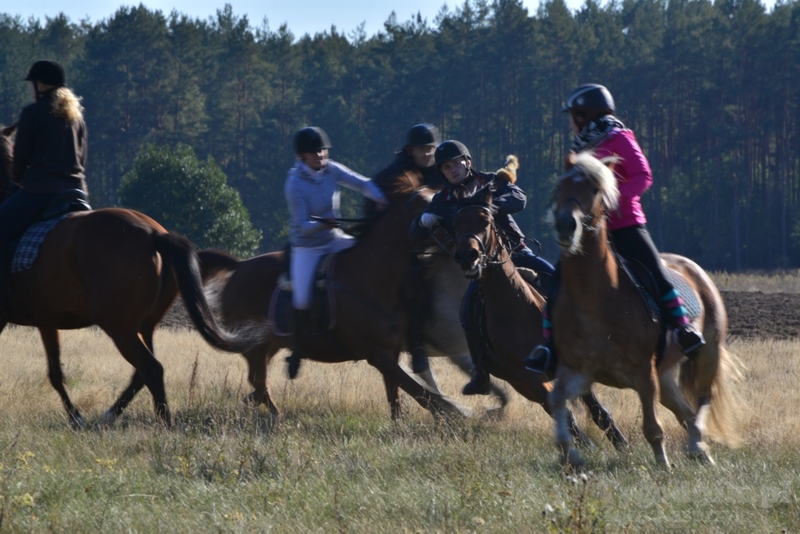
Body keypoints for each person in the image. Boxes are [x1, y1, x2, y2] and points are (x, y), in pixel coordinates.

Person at [525, 83, 705, 376]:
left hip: (625, 224)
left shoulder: (620, 137)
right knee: (557, 284)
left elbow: (643, 175)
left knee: (656, 274)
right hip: (589, 232)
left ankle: (684, 331)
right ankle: (549, 349)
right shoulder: (578, 148)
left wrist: (611, 201)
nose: (571, 122)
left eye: (573, 115)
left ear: (585, 115)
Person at [409, 140, 555, 395]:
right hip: (483, 270)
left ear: (467, 162)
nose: (452, 170)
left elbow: (519, 197)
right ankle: (481, 372)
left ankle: (575, 341)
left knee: (553, 278)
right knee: (468, 312)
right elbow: (414, 234)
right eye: (446, 167)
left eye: (456, 163)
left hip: (516, 253)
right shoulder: (441, 201)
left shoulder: (491, 181)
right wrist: (423, 222)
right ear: (442, 172)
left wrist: (491, 207)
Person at [284, 126, 388, 379]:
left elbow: (362, 183)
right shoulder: (294, 184)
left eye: (323, 150)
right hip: (307, 247)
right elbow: (302, 226)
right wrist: (321, 224)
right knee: (301, 299)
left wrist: (380, 198)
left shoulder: (332, 169)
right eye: (314, 152)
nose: (320, 155)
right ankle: (297, 349)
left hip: (334, 239)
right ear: (302, 156)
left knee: (369, 259)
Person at [0, 59, 88, 314]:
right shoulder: (76, 118)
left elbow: (20, 161)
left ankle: (3, 297)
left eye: (33, 84)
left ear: (40, 85)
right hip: (76, 193)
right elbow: (82, 159)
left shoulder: (32, 113)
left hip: (40, 192)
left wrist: (17, 179)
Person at [367, 123, 444, 375]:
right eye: (422, 150)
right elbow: (371, 208)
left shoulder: (442, 169)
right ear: (410, 150)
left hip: (441, 240)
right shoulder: (391, 175)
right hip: (402, 249)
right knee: (413, 284)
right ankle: (418, 347)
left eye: (430, 149)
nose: (427, 155)